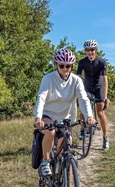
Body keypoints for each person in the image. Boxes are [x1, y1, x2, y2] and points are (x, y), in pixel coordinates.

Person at [34, 48, 95, 176]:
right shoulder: (48, 78)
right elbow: (41, 97)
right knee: (50, 131)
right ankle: (45, 161)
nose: (65, 69)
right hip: (48, 115)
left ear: (72, 66)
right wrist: (38, 118)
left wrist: (89, 116)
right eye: (61, 65)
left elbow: (83, 99)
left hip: (65, 118)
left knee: (67, 153)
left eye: (68, 66)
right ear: (56, 64)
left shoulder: (76, 80)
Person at [76, 39, 110, 150]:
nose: (90, 52)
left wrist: (105, 97)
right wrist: (77, 93)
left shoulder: (101, 62)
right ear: (85, 51)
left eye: (92, 50)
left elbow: (104, 80)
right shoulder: (82, 62)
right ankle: (82, 129)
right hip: (87, 87)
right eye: (87, 50)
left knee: (100, 113)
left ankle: (105, 138)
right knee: (84, 110)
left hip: (98, 88)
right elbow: (78, 78)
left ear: (96, 50)